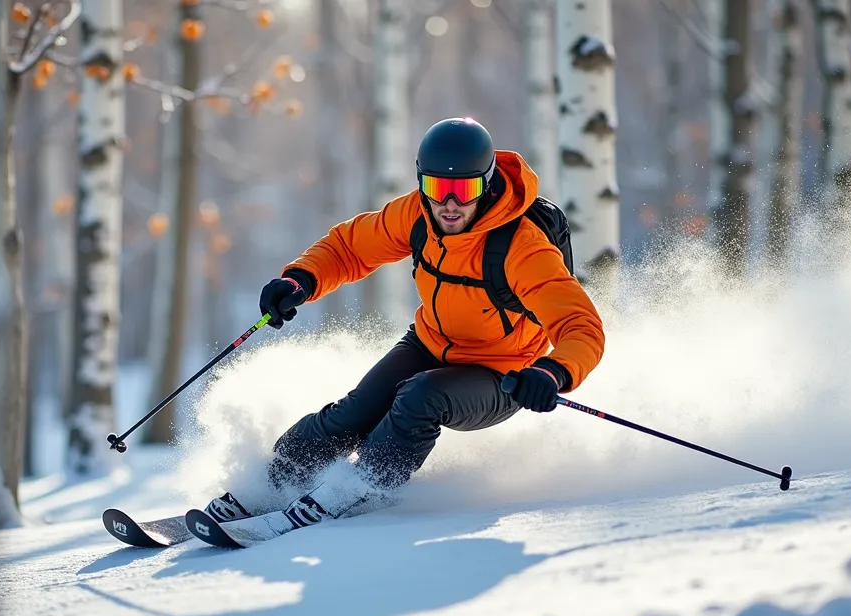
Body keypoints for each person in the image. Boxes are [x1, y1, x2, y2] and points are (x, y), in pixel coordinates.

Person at [202, 117, 606, 528]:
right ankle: (272, 485)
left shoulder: (522, 248)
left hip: (503, 372)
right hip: (430, 342)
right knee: (353, 413)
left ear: (485, 185)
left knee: (420, 397)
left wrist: (552, 373)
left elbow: (581, 327)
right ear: (421, 183)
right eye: (436, 189)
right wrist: (301, 279)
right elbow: (350, 247)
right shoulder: (417, 215)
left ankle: (357, 489)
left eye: (464, 190)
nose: (449, 204)